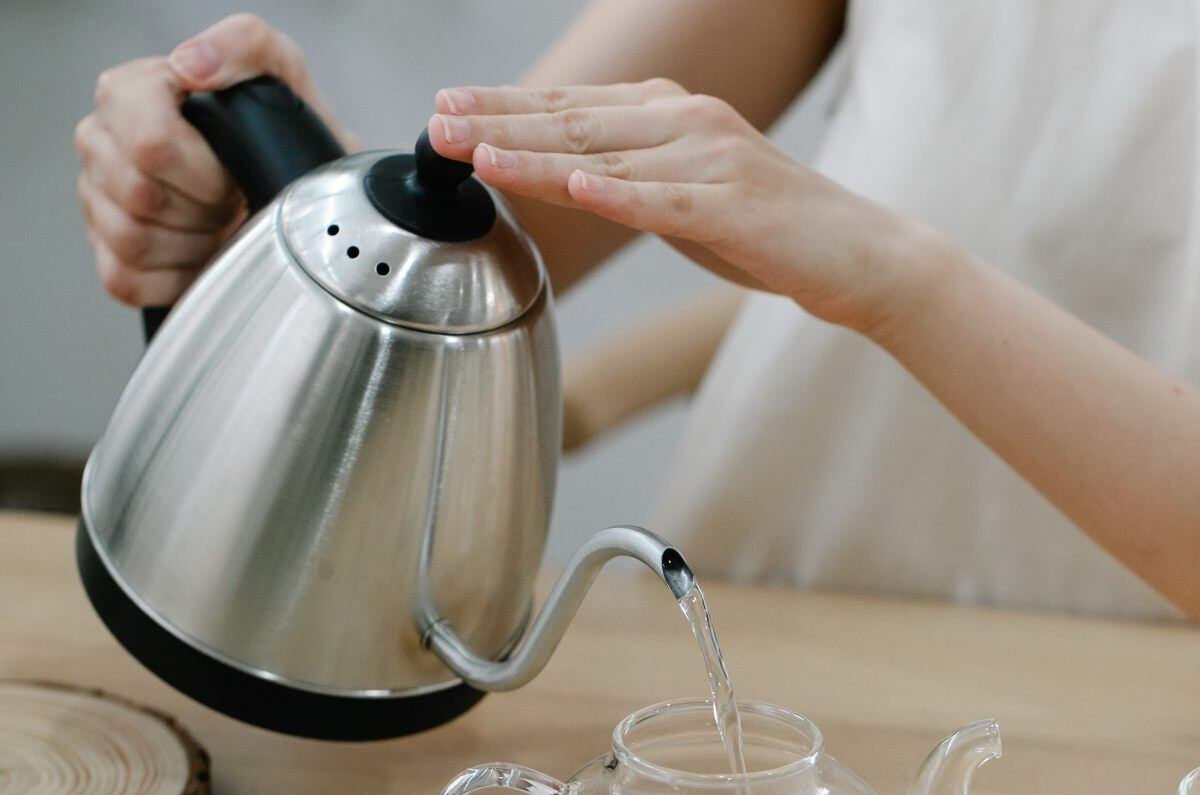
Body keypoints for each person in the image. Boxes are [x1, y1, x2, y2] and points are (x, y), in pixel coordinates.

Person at [73, 2, 1200, 621]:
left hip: (1130, 708)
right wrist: (268, 202)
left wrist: (899, 274)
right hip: (755, 653)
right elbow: (489, 218)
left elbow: (904, 262)